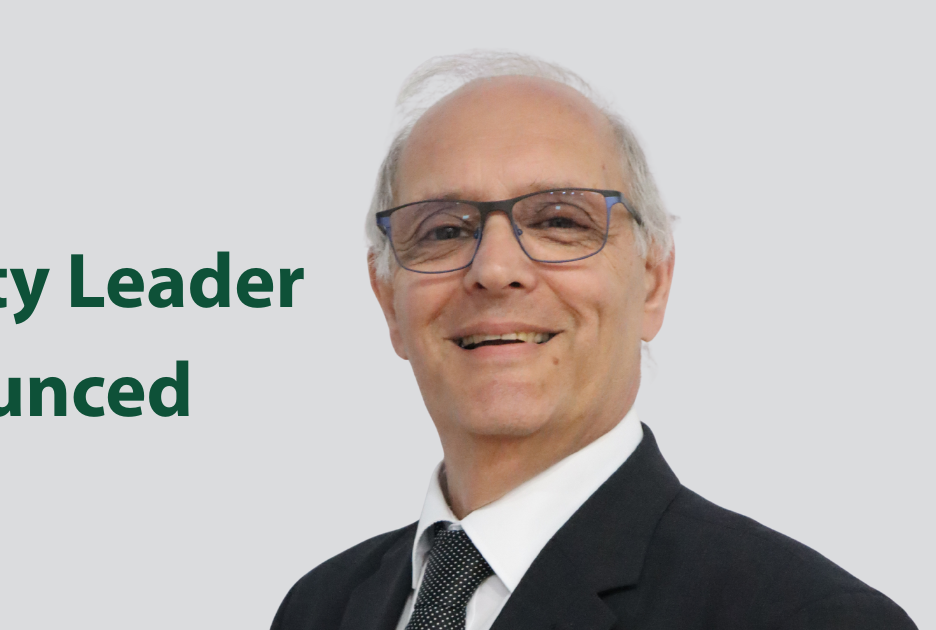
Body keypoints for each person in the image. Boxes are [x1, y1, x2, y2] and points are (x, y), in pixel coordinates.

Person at [270, 51, 916, 630]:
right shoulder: (321, 607)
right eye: (443, 231)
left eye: (558, 221)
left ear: (654, 281)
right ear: (388, 300)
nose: (494, 269)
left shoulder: (808, 617)